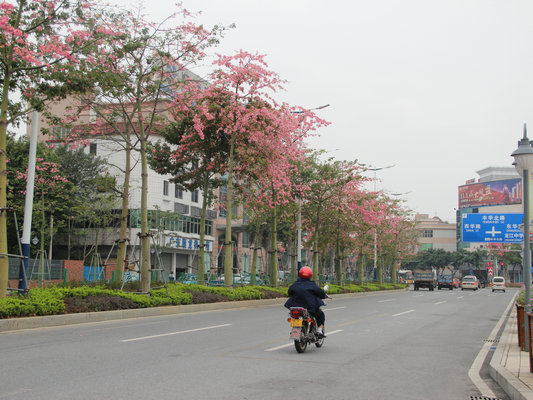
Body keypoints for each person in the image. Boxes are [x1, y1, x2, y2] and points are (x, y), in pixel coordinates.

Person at [284, 266, 328, 337]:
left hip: (295, 307)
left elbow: (290, 292)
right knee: (320, 314)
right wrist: (325, 296)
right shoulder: (312, 285)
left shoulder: (295, 284)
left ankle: (296, 332)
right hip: (309, 308)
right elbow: (321, 293)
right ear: (310, 275)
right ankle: (319, 331)